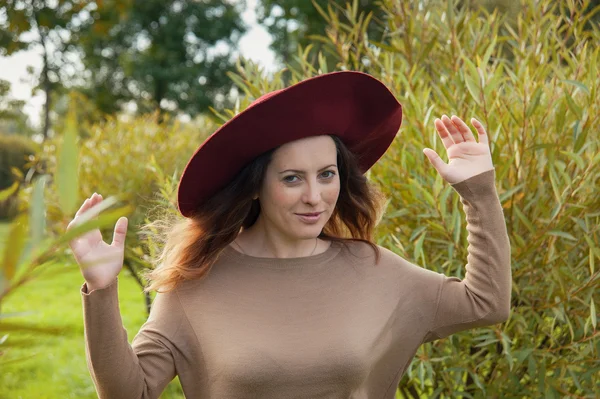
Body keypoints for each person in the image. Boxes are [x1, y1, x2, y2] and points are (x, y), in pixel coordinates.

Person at [68, 71, 511, 398]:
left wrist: (478, 194)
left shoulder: (376, 271)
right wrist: (101, 290)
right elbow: (129, 394)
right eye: (293, 179)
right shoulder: (196, 283)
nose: (316, 197)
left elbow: (486, 303)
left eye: (327, 174)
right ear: (256, 186)